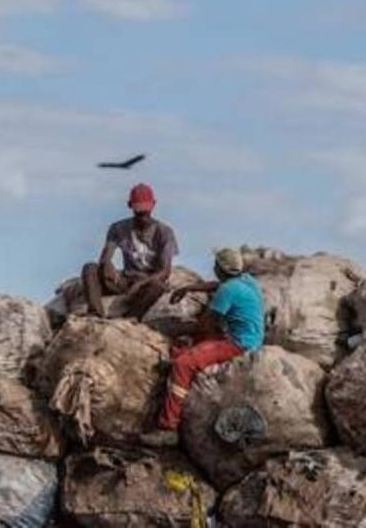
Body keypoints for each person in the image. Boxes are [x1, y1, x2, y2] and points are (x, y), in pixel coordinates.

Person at [144, 247, 264, 444]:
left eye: (216, 264)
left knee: (183, 363)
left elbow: (208, 323)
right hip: (251, 337)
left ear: (220, 268)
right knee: (187, 347)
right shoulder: (247, 281)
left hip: (238, 343)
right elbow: (216, 286)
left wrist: (182, 329)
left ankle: (168, 427)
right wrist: (190, 288)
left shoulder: (228, 291)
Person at [76, 183, 179, 320]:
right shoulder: (118, 228)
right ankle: (95, 313)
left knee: (157, 286)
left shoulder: (164, 232)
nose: (143, 216)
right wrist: (107, 263)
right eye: (139, 211)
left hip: (146, 284)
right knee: (89, 268)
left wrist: (139, 285)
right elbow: (106, 255)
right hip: (125, 280)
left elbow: (164, 272)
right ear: (130, 205)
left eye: (145, 211)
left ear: (153, 205)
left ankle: (131, 317)